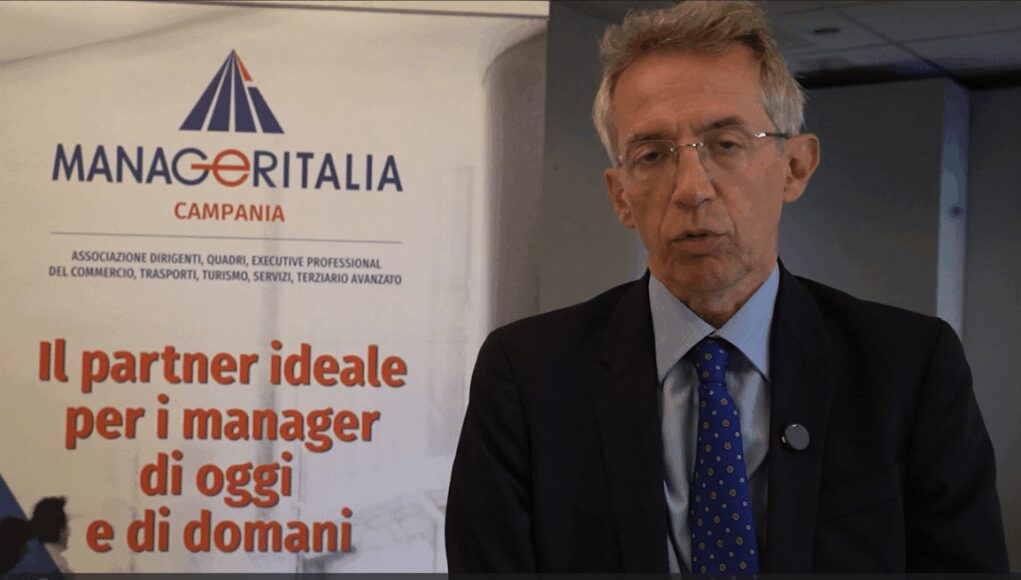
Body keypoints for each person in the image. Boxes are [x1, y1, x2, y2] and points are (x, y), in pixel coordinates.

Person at [445, 0, 1008, 573]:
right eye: (652, 155)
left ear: (795, 167)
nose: (691, 188)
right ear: (620, 196)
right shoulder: (527, 377)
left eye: (726, 143)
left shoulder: (908, 368)